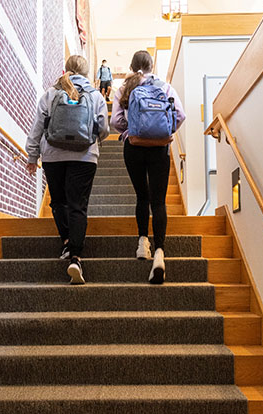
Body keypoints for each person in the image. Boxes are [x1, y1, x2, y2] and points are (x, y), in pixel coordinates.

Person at [26, 55, 109, 284]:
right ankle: (75, 256)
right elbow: (103, 129)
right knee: (78, 206)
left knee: (58, 202)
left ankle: (65, 242)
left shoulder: (51, 93)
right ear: (85, 72)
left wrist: (32, 156)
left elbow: (37, 128)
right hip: (85, 156)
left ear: (66, 70)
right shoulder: (95, 95)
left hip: (53, 155)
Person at [110, 50, 185, 284]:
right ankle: (160, 252)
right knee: (159, 201)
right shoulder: (165, 87)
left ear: (132, 67)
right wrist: (163, 131)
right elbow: (180, 115)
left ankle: (143, 243)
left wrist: (132, 129)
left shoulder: (124, 89)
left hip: (133, 148)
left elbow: (114, 122)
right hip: (160, 149)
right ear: (152, 66)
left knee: (142, 196)